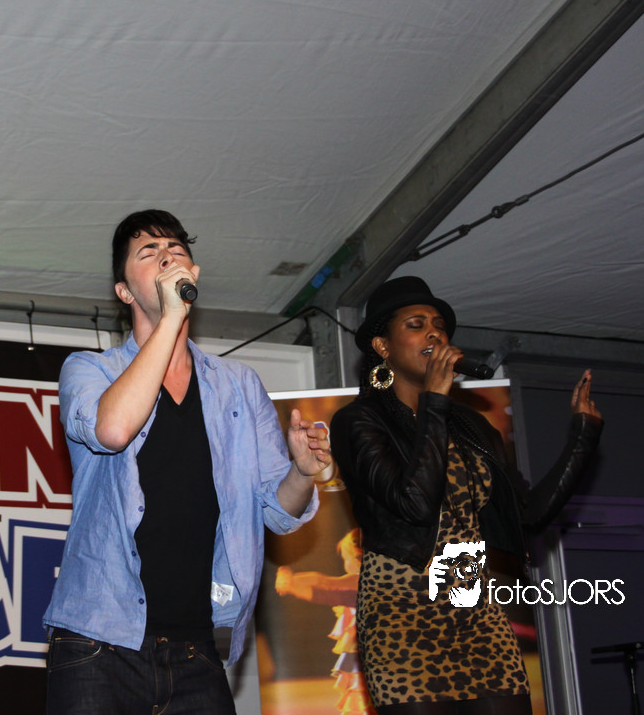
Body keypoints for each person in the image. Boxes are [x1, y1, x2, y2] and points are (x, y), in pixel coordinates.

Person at [43, 209, 332, 715]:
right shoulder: (89, 369)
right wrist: (171, 318)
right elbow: (113, 431)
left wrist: (303, 473)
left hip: (197, 649)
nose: (166, 256)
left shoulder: (238, 386)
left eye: (176, 249)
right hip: (98, 642)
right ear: (124, 292)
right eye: (148, 252)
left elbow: (277, 511)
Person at [330, 276, 603, 715]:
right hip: (402, 611)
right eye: (417, 325)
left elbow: (528, 515)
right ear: (382, 346)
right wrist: (435, 401)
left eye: (439, 325)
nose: (434, 334)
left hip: (472, 602)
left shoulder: (472, 426)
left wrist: (582, 438)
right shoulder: (359, 421)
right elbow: (416, 504)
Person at [275, 528, 375, 714]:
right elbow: (324, 592)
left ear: (358, 558)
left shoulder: (360, 581)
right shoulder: (365, 586)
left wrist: (292, 582)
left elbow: (325, 584)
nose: (345, 564)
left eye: (345, 558)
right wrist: (293, 586)